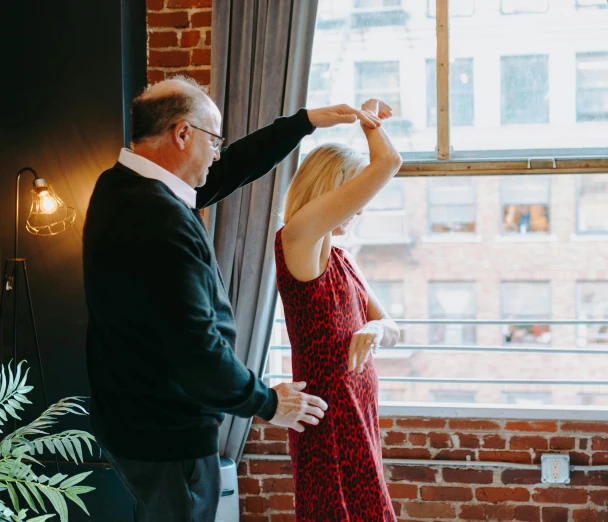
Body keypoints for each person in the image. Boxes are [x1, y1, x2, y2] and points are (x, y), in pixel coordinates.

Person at [82, 76, 382, 522]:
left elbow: (230, 168)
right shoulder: (160, 221)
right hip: (166, 432)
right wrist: (268, 402)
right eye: (214, 139)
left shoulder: (121, 186)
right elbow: (196, 348)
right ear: (182, 134)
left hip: (130, 417)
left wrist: (304, 122)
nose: (219, 152)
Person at [276, 98, 402, 521]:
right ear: (330, 191)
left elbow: (391, 325)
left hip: (359, 410)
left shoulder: (342, 258)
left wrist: (375, 332)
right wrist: (369, 126)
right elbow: (390, 162)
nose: (360, 207)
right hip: (328, 421)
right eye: (353, 194)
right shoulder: (297, 240)